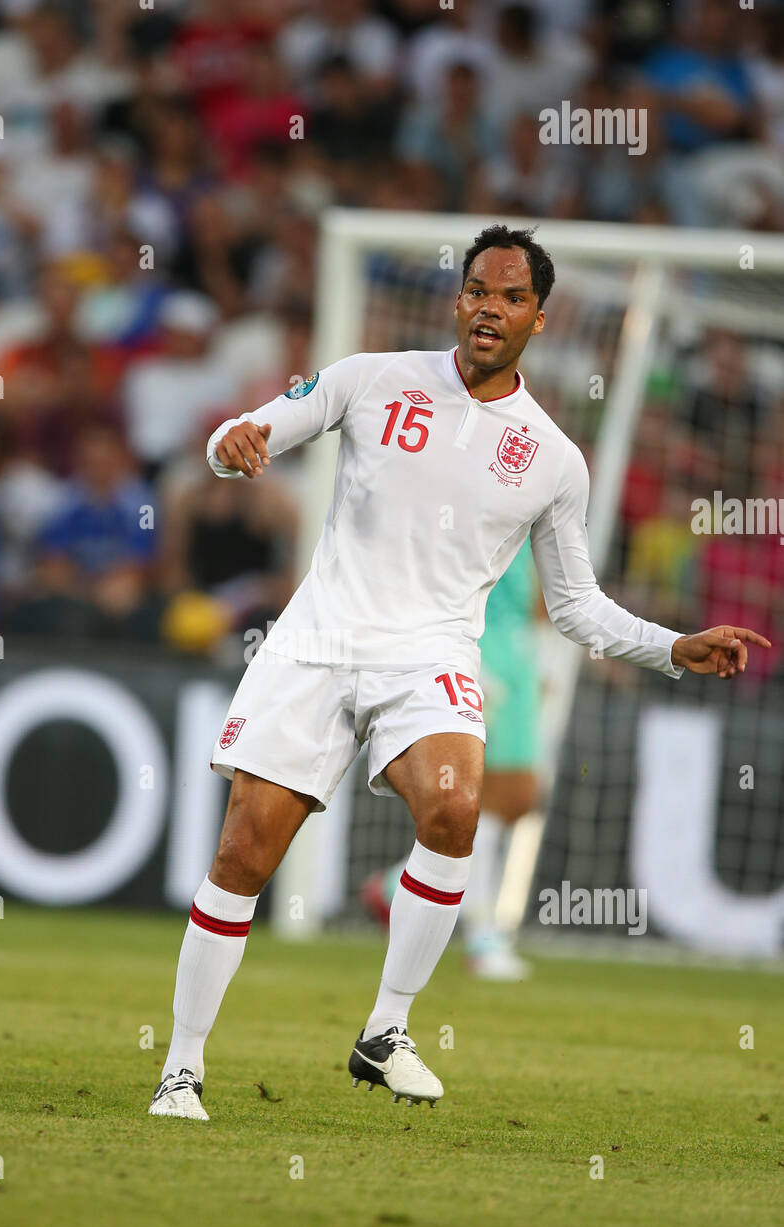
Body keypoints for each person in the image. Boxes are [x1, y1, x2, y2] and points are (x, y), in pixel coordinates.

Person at [149, 224, 770, 1122]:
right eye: (480, 289)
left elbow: (579, 603)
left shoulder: (554, 460)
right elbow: (250, 433)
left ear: (539, 320)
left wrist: (670, 646)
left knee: (456, 807)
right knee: (245, 852)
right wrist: (230, 443)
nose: (492, 307)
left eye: (513, 297)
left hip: (430, 653)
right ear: (459, 300)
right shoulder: (370, 378)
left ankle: (385, 1029)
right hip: (317, 642)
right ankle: (182, 1067)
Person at [359, 542, 540, 982]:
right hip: (481, 653)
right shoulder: (488, 493)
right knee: (481, 801)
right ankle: (481, 938)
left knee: (515, 799)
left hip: (520, 661)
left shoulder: (542, 501)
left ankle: (393, 888)